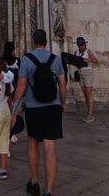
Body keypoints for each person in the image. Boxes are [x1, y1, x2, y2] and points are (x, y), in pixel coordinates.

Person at [12, 29, 66, 196]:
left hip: (34, 108)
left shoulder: (26, 59)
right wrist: (63, 103)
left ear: (32, 41)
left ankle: (34, 181)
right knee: (50, 147)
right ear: (46, 42)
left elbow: (21, 86)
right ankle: (49, 190)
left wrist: (14, 109)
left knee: (33, 142)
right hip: (53, 107)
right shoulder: (56, 59)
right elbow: (62, 85)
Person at [74, 37, 99, 123]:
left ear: (85, 44)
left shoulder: (88, 51)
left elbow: (96, 60)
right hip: (80, 72)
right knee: (85, 94)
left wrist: (88, 59)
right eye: (80, 44)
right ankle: (89, 112)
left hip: (88, 72)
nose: (81, 46)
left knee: (89, 93)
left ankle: (90, 115)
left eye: (82, 44)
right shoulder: (76, 52)